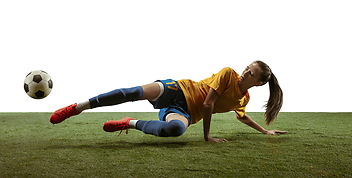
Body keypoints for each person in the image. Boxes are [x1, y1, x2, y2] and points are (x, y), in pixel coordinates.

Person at [50, 60, 287, 142]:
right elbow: (208, 104)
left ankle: (129, 123)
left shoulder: (244, 98)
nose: (245, 73)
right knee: (131, 92)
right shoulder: (228, 73)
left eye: (251, 74)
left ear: (257, 84)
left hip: (184, 113)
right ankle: (78, 107)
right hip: (179, 90)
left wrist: (264, 131)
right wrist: (207, 137)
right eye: (247, 68)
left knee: (174, 130)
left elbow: (242, 115)